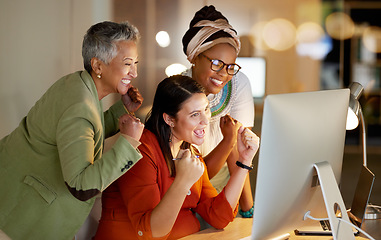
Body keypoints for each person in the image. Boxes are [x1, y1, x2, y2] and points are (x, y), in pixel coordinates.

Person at [0, 21, 145, 240]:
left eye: (135, 63)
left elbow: (80, 134)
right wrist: (128, 143)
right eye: (127, 63)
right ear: (97, 66)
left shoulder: (77, 84)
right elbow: (81, 186)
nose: (134, 72)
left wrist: (120, 112)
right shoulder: (79, 105)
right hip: (20, 216)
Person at [94, 75, 260, 239]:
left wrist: (244, 162)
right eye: (195, 114)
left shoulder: (190, 153)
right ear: (169, 119)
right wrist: (183, 181)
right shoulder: (142, 151)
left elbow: (218, 216)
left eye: (206, 110)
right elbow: (151, 232)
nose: (205, 121)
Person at [181, 5, 255, 217]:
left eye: (231, 66)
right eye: (216, 63)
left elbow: (240, 152)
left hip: (226, 188)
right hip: (186, 191)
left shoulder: (238, 83)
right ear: (194, 57)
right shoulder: (177, 92)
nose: (224, 73)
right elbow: (197, 176)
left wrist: (247, 208)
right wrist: (228, 140)